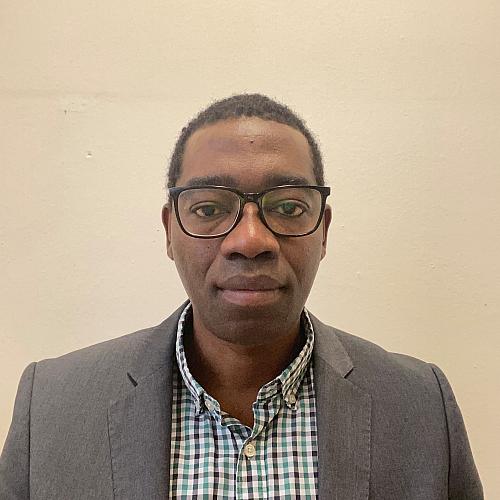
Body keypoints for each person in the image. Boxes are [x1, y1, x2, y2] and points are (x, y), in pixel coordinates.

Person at [0, 94, 483, 499]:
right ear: (169, 231)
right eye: (210, 209)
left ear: (324, 230)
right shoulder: (54, 408)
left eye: (288, 207)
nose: (250, 241)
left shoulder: (421, 406)